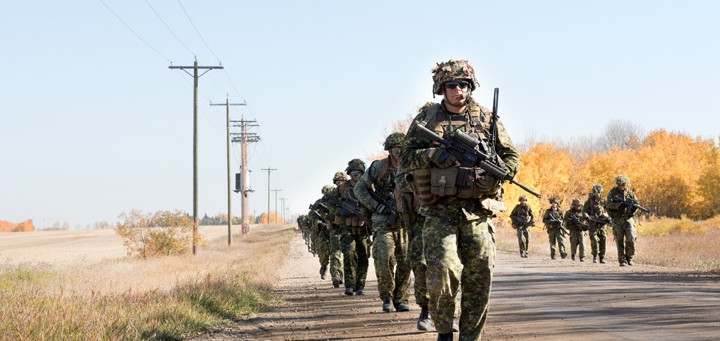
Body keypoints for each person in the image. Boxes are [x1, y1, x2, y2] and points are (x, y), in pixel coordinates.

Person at [400, 59, 520, 341]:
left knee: (480, 279)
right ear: (441, 88)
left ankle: (471, 337)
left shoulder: (487, 119)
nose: (458, 90)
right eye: (452, 85)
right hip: (439, 212)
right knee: (442, 274)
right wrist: (430, 155)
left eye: (463, 85)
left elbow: (512, 157)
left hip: (478, 211)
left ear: (471, 86)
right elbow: (403, 158)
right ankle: (444, 330)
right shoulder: (427, 118)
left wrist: (499, 172)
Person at [355, 132, 411, 313]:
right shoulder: (379, 167)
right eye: (397, 149)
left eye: (403, 149)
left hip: (406, 221)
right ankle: (386, 296)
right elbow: (359, 188)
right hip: (383, 220)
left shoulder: (412, 167)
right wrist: (376, 206)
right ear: (390, 150)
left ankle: (401, 298)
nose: (400, 153)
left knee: (405, 261)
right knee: (383, 257)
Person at [396, 140, 433, 331]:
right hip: (421, 220)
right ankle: (426, 309)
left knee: (453, 267)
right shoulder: (414, 154)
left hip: (453, 216)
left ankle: (448, 310)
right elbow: (401, 180)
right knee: (420, 263)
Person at [332, 163, 371, 296]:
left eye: (359, 171)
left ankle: (360, 286)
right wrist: (341, 211)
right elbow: (330, 203)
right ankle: (349, 285)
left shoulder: (367, 186)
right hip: (347, 227)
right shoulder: (342, 188)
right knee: (348, 255)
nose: (356, 174)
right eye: (354, 171)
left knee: (363, 257)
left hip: (363, 227)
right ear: (349, 173)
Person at [606, 174, 640, 266]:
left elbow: (636, 203)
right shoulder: (612, 193)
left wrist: (633, 209)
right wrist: (619, 205)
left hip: (628, 219)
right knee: (619, 240)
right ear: (618, 184)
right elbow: (608, 205)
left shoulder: (630, 193)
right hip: (617, 220)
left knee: (631, 237)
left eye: (624, 184)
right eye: (621, 185)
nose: (623, 186)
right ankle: (622, 260)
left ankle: (630, 257)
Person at [323, 175, 345, 287]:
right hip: (336, 229)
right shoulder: (332, 196)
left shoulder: (353, 192)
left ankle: (352, 280)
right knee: (335, 253)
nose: (340, 183)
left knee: (350, 254)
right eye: (338, 181)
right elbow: (329, 214)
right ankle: (336, 276)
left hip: (350, 228)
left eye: (342, 181)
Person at [583, 184, 609, 263]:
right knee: (594, 240)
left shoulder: (604, 201)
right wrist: (587, 216)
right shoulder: (589, 201)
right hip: (593, 223)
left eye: (598, 192)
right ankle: (595, 256)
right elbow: (584, 211)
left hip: (602, 224)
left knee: (603, 240)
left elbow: (610, 210)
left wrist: (607, 215)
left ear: (600, 192)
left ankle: (602, 257)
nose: (596, 194)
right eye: (595, 192)